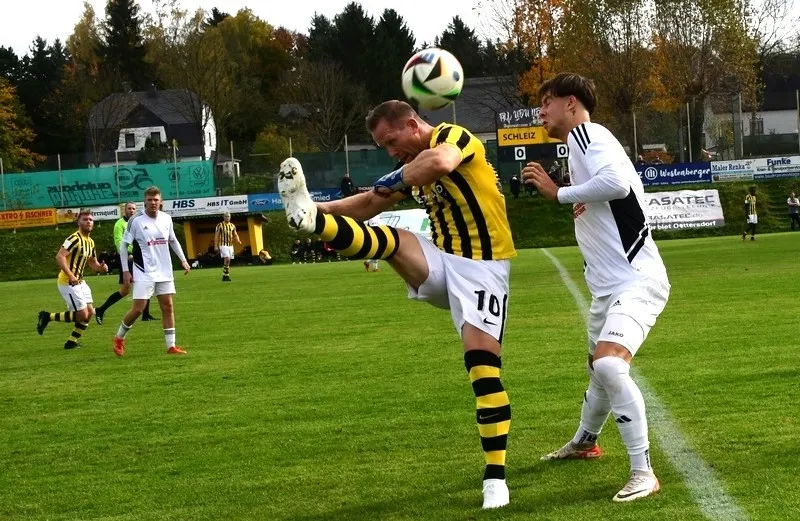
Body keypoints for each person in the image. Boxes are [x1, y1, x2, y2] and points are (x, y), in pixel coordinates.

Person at [277, 99, 516, 510]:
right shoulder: (411, 167)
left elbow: (441, 162)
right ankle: (315, 223)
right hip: (440, 263)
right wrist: (317, 209)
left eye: (391, 141)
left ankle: (495, 478)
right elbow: (370, 203)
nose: (390, 151)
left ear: (411, 124)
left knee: (482, 369)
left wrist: (392, 179)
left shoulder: (452, 137)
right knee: (387, 237)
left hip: (484, 270)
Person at [522, 72, 670, 502]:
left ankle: (644, 472)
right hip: (607, 289)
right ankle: (586, 441)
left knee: (609, 367)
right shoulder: (576, 148)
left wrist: (558, 193)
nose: (540, 112)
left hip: (636, 280)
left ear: (571, 104)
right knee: (597, 370)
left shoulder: (588, 134)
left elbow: (617, 185)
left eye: (546, 102)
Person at [113, 186, 191, 357]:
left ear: (160, 201)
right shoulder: (136, 220)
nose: (153, 203)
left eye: (156, 200)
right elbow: (124, 246)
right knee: (138, 309)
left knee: (168, 306)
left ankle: (171, 346)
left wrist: (184, 261)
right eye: (149, 200)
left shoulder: (166, 219)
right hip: (143, 271)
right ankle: (119, 338)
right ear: (145, 202)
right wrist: (126, 270)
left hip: (164, 270)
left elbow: (173, 240)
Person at [37, 209, 109, 349]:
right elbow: (60, 256)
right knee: (82, 314)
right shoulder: (74, 238)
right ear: (78, 222)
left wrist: (101, 268)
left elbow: (92, 263)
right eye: (85, 219)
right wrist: (70, 275)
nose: (88, 222)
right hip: (68, 281)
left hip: (80, 282)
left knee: (89, 313)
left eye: (90, 219)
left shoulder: (90, 242)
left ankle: (71, 342)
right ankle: (47, 316)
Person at [95, 202, 156, 324]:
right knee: (125, 290)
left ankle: (146, 314)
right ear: (125, 210)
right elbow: (118, 242)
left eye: (134, 208)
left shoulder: (137, 222)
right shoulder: (120, 224)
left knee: (145, 282)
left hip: (139, 257)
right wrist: (128, 254)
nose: (132, 211)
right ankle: (100, 310)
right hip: (127, 258)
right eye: (129, 208)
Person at [215, 212, 242, 282]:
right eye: (226, 216)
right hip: (223, 244)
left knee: (227, 261)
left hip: (230, 245)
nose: (227, 217)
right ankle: (226, 275)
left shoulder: (232, 225)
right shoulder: (220, 225)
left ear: (230, 217)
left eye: (228, 216)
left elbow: (235, 234)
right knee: (227, 258)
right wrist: (216, 246)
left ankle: (225, 276)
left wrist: (238, 240)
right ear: (223, 217)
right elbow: (217, 236)